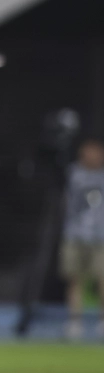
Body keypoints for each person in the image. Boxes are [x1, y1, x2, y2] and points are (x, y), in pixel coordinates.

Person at [60, 138, 104, 340]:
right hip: (75, 235)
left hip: (101, 236)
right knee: (74, 278)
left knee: (102, 279)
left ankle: (102, 321)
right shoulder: (72, 173)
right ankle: (75, 322)